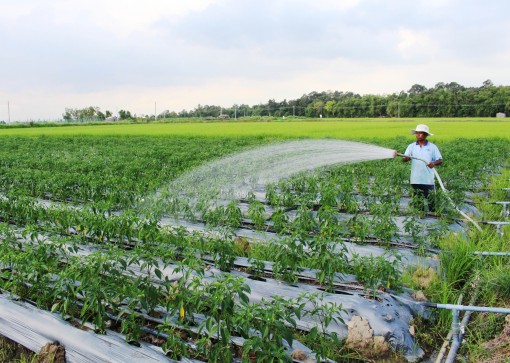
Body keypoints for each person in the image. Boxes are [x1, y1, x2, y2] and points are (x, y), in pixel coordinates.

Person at [401, 124, 443, 213]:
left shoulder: (432, 147)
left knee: (432, 204)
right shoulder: (411, 146)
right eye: (417, 133)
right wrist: (407, 158)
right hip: (415, 180)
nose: (418, 135)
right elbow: (404, 158)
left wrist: (433, 163)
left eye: (421, 133)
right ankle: (420, 221)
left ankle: (433, 219)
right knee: (418, 204)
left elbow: (440, 160)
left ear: (426, 135)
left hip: (428, 180)